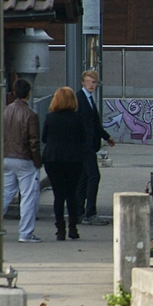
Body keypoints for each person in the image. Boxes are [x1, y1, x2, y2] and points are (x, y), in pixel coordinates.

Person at [42, 87, 88, 240]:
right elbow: (83, 138)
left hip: (53, 159)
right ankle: (73, 228)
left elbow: (44, 138)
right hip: (73, 159)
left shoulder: (50, 118)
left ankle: (60, 229)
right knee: (71, 194)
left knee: (58, 194)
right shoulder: (77, 118)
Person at [1, 78, 44, 243]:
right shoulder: (31, 114)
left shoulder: (5, 111)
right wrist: (37, 161)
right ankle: (25, 233)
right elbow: (34, 141)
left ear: (14, 92)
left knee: (5, 194)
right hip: (24, 159)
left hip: (6, 157)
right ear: (28, 93)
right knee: (28, 196)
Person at [76, 70, 116, 225]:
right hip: (85, 146)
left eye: (94, 82)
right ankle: (90, 213)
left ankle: (79, 212)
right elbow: (86, 125)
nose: (91, 85)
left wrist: (106, 137)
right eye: (88, 82)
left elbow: (94, 124)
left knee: (84, 178)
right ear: (82, 82)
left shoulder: (88, 99)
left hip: (88, 145)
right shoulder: (80, 99)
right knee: (93, 176)